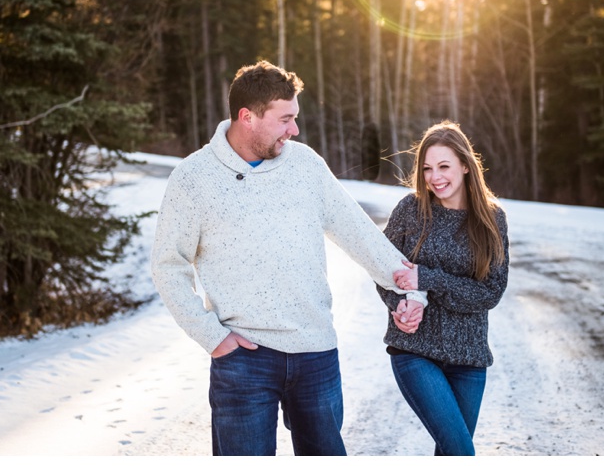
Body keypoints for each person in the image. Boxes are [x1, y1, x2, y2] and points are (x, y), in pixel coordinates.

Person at [150, 60, 427, 456]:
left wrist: (407, 284)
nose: (294, 130)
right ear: (247, 117)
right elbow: (168, 266)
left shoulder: (306, 165)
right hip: (244, 359)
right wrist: (211, 337)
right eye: (285, 119)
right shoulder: (194, 178)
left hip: (315, 352)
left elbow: (358, 231)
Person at [379, 120, 509, 456]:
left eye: (444, 166)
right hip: (415, 352)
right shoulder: (410, 210)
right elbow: (384, 269)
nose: (435, 177)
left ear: (466, 165)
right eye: (427, 168)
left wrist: (428, 279)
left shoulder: (493, 219)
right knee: (461, 454)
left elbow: (490, 293)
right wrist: (399, 305)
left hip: (469, 360)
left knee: (451, 454)